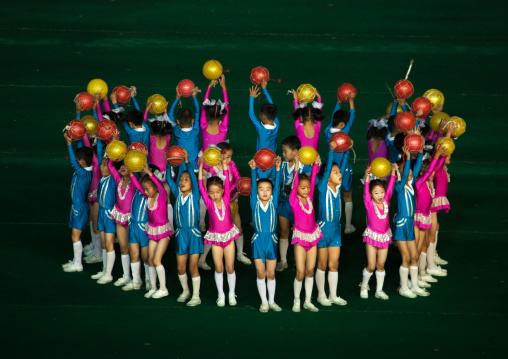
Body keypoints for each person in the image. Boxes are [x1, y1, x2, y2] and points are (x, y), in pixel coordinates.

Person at [198, 157, 240, 307]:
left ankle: (231, 294)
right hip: (215, 237)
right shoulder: (208, 202)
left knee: (230, 267)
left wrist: (224, 166)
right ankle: (221, 295)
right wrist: (202, 165)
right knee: (219, 267)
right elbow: (200, 186)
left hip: (228, 236)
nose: (215, 195)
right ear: (208, 193)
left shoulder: (227, 197)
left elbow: (227, 181)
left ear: (223, 190)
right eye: (211, 192)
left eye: (217, 191)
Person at [315, 142, 350, 306]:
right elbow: (328, 169)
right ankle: (321, 295)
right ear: (327, 176)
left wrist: (347, 151)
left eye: (339, 172)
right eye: (335, 173)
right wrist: (330, 151)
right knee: (322, 264)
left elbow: (342, 167)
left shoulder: (338, 186)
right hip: (323, 229)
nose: (339, 174)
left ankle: (333, 295)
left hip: (336, 229)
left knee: (334, 264)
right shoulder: (322, 188)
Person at [166, 150, 203, 306]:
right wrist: (168, 164)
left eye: (186, 180)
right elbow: (169, 178)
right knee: (180, 267)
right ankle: (185, 291)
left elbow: (195, 180)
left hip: (193, 234)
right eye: (181, 179)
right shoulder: (177, 193)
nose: (182, 182)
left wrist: (187, 163)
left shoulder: (195, 195)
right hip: (181, 234)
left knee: (192, 266)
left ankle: (196, 296)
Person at [130, 165, 172, 299]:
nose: (146, 192)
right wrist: (131, 174)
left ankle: (163, 288)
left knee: (156, 259)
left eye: (148, 189)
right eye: (145, 189)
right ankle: (153, 287)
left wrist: (149, 172)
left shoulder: (162, 195)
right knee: (150, 259)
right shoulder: (148, 196)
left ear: (155, 187)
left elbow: (160, 186)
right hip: (152, 231)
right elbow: (138, 185)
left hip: (163, 232)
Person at [393, 146, 429, 298]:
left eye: (409, 170)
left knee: (414, 256)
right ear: (400, 174)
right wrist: (407, 159)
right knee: (406, 257)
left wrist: (420, 150)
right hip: (401, 225)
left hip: (410, 224)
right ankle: (403, 287)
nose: (409, 172)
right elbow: (408, 167)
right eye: (405, 171)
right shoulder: (399, 187)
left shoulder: (411, 184)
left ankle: (414, 285)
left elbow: (418, 164)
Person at [248, 156, 283, 313]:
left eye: (268, 189)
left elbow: (277, 187)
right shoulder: (254, 202)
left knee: (271, 273)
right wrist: (253, 169)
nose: (264, 192)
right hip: (257, 241)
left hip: (271, 240)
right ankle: (263, 302)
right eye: (261, 189)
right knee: (261, 273)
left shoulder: (274, 202)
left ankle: (272, 301)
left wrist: (277, 168)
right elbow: (253, 189)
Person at [359, 163, 397, 300]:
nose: (380, 195)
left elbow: (391, 187)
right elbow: (365, 192)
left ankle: (379, 290)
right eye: (376, 193)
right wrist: (368, 177)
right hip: (372, 236)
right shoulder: (369, 203)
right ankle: (364, 286)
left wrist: (393, 173)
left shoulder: (386, 201)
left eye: (381, 192)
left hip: (384, 236)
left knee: (381, 265)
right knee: (371, 265)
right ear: (370, 194)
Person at [290, 153, 322, 312]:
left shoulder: (309, 197)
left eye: (308, 187)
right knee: (301, 272)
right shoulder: (294, 200)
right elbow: (295, 185)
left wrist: (315, 165)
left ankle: (307, 301)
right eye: (303, 187)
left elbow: (314, 178)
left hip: (313, 237)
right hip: (301, 239)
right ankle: (297, 300)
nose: (307, 189)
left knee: (310, 271)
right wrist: (296, 165)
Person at [276, 136, 312, 271]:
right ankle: (283, 260)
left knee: (298, 232)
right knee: (284, 231)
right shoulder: (283, 165)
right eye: (283, 151)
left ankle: (299, 260)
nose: (283, 154)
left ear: (296, 152)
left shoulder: (305, 166)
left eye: (285, 151)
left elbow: (311, 185)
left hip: (298, 206)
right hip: (284, 204)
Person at [414, 144, 447, 285]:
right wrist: (437, 155)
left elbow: (436, 168)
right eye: (430, 171)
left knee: (424, 244)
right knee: (417, 248)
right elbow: (429, 171)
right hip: (418, 217)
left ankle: (422, 272)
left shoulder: (429, 183)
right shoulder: (420, 183)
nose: (433, 173)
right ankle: (417, 276)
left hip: (426, 216)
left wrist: (441, 154)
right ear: (422, 173)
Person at [61, 133, 93, 273]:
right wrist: (77, 137)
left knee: (75, 236)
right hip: (76, 206)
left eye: (78, 159)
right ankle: (76, 261)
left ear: (82, 162)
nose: (76, 160)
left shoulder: (83, 173)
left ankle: (78, 264)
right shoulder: (85, 170)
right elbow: (77, 157)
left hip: (79, 208)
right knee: (75, 236)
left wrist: (69, 144)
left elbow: (73, 162)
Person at [325, 91, 356, 234]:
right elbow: (353, 117)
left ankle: (332, 223)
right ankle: (348, 226)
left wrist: (338, 103)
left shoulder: (327, 132)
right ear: (342, 124)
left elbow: (333, 119)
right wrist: (350, 101)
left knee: (331, 196)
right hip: (344, 170)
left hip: (330, 171)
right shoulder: (345, 133)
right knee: (347, 196)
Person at [122, 171, 151, 292]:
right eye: (141, 182)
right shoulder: (136, 192)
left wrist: (132, 173)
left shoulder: (148, 195)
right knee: (133, 254)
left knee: (145, 257)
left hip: (143, 229)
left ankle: (149, 280)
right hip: (133, 226)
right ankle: (136, 281)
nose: (141, 186)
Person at [248, 80, 279, 179]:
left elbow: (251, 115)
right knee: (271, 182)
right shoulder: (277, 123)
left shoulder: (262, 130)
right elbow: (272, 105)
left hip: (261, 162)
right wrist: (264, 89)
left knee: (260, 183)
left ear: (263, 117)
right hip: (272, 161)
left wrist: (252, 98)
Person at [166, 86, 201, 167]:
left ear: (177, 121)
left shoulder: (176, 131)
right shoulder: (196, 130)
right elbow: (198, 112)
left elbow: (170, 114)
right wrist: (194, 97)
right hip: (196, 165)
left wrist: (177, 98)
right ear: (192, 120)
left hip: (181, 165)